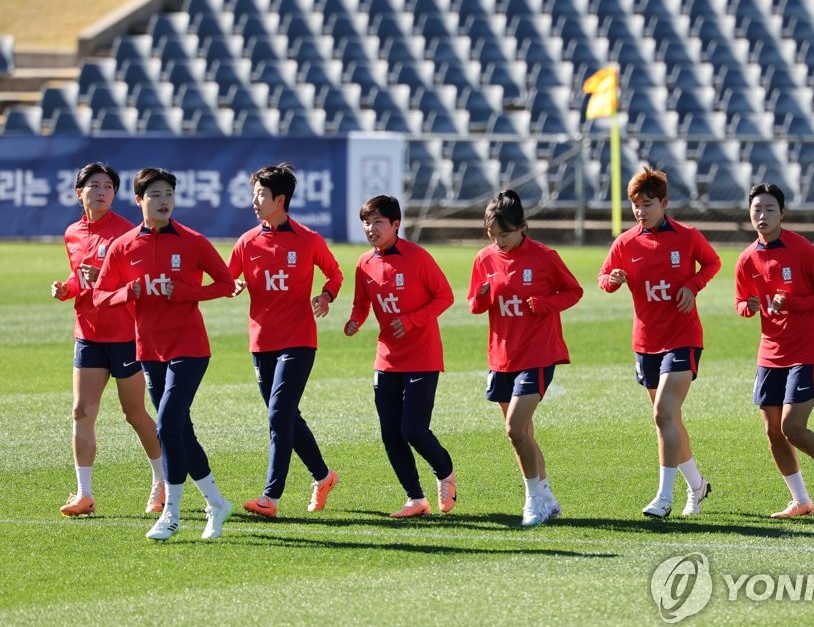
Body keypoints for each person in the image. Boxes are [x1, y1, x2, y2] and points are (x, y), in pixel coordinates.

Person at [93, 167, 234, 540]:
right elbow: (100, 296)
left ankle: (171, 514)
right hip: (149, 349)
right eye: (155, 194)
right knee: (180, 431)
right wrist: (128, 293)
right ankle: (216, 503)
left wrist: (187, 291)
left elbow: (227, 284)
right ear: (139, 201)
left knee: (167, 425)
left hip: (190, 347)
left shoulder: (193, 241)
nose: (164, 200)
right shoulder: (124, 246)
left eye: (169, 193)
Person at [598, 167, 721, 518]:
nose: (640, 211)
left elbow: (712, 262)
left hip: (682, 338)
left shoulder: (687, 236)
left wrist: (692, 286)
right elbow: (603, 278)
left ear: (664, 203)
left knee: (663, 413)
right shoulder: (625, 243)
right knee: (669, 420)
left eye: (647, 204)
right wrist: (613, 279)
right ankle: (697, 486)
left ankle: (664, 497)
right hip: (646, 341)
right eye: (636, 205)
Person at [51, 162, 165, 517]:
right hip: (88, 334)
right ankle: (84, 494)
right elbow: (78, 277)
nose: (102, 191)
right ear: (79, 192)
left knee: (134, 413)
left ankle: (161, 483)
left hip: (125, 335)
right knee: (81, 411)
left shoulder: (127, 233)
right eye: (95, 185)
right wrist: (66, 288)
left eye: (108, 187)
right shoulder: (72, 232)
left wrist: (103, 277)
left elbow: (139, 283)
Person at [228, 164, 342, 518]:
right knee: (287, 416)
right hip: (261, 342)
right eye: (254, 194)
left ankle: (270, 498)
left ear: (280, 199)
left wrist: (326, 295)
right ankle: (323, 477)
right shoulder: (247, 242)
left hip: (299, 340)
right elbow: (226, 278)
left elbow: (335, 273)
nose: (254, 201)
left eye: (261, 195)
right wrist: (233, 285)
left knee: (278, 415)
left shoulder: (308, 240)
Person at [468, 190, 583, 526]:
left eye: (504, 234)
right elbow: (475, 305)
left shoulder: (545, 257)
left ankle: (532, 501)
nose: (497, 242)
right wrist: (481, 296)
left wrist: (545, 304)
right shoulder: (484, 259)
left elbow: (573, 291)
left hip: (538, 353)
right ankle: (547, 498)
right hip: (502, 356)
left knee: (515, 428)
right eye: (492, 235)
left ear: (522, 228)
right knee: (523, 435)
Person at [735, 182, 814, 518]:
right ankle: (801, 500)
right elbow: (740, 302)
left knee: (791, 427)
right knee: (772, 432)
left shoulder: (801, 249)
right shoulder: (747, 258)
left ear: (782, 213)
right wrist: (749, 307)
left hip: (806, 350)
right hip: (770, 352)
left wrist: (796, 303)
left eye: (769, 209)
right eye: (757, 209)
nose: (762, 215)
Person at [344, 195, 457, 517]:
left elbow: (444, 296)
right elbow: (361, 303)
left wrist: (410, 321)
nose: (371, 228)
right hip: (387, 359)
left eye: (378, 222)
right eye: (366, 222)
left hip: (423, 356)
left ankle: (445, 472)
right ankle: (415, 499)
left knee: (413, 429)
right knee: (391, 434)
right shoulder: (364, 262)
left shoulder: (418, 257)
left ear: (396, 224)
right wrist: (355, 321)